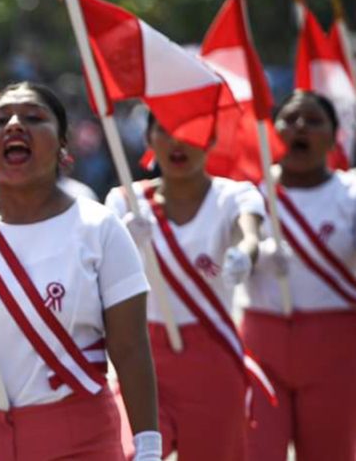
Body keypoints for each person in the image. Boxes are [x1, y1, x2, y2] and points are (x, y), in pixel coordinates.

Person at [0, 82, 160, 460]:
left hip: (78, 438)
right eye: (0, 120)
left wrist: (148, 446)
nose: (15, 125)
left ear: (63, 145)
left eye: (34, 117)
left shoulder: (99, 227)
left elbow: (130, 349)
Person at [105, 111, 265, 460]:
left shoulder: (234, 195)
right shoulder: (125, 201)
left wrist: (245, 253)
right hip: (143, 356)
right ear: (148, 139)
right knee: (127, 453)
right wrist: (122, 242)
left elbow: (249, 233)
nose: (177, 142)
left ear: (211, 139)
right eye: (164, 130)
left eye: (191, 129)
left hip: (212, 357)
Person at [244, 90, 356, 460]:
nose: (301, 127)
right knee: (257, 452)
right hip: (262, 348)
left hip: (335, 349)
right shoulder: (248, 196)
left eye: (314, 120)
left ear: (334, 137)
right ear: (272, 131)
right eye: (290, 119)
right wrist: (250, 254)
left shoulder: (350, 193)